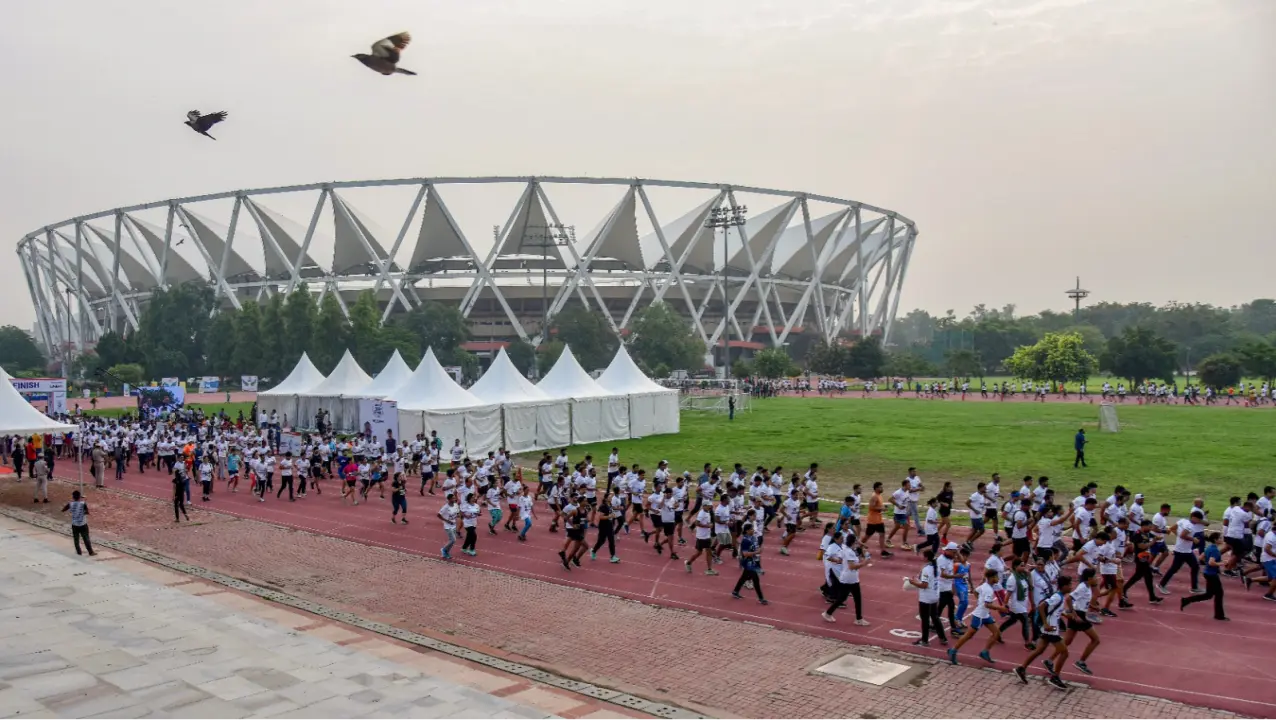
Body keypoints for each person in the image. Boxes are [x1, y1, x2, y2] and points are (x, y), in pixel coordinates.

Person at [947, 569, 1006, 665]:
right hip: (979, 616)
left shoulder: (985, 586)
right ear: (991, 578)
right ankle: (953, 650)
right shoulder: (989, 590)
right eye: (996, 577)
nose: (998, 578)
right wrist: (1001, 608)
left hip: (985, 615)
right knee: (969, 635)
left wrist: (980, 601)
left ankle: (985, 652)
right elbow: (988, 605)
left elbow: (975, 591)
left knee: (996, 633)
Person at [1180, 531, 1228, 620]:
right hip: (1212, 574)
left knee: (1208, 595)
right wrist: (1222, 563)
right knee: (1219, 594)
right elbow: (1211, 562)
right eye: (1220, 538)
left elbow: (1201, 557)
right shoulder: (1215, 550)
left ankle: (1187, 600)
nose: (1222, 539)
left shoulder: (1209, 548)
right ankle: (1219, 615)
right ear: (1215, 540)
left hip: (1208, 573)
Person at [907, 548, 948, 647]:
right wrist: (918, 581)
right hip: (934, 595)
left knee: (924, 618)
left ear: (926, 557)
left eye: (923, 556)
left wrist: (913, 583)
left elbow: (924, 585)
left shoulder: (926, 569)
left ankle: (924, 640)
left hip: (926, 597)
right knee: (935, 617)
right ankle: (943, 638)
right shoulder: (936, 567)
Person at [731, 522, 767, 604]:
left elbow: (756, 548)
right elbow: (745, 553)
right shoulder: (745, 541)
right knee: (756, 580)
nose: (753, 530)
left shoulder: (754, 538)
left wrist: (758, 554)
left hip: (754, 561)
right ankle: (761, 598)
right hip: (748, 562)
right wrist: (757, 552)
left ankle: (735, 591)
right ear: (746, 531)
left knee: (744, 577)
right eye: (751, 529)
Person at [62, 490, 95, 556]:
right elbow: (87, 512)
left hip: (74, 524)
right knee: (86, 538)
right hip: (83, 524)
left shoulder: (70, 504)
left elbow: (63, 509)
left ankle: (79, 552)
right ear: (80, 497)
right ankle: (90, 552)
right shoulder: (83, 504)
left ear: (73, 497)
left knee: (76, 538)